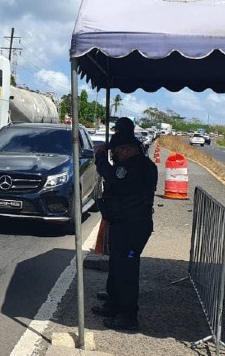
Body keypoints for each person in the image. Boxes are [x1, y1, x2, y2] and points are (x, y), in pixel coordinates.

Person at [92, 117, 158, 330]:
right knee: (116, 266)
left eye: (118, 152)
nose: (116, 156)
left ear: (128, 149)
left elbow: (112, 177)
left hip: (133, 226)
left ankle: (128, 316)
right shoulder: (133, 164)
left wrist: (100, 158)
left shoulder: (135, 167)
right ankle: (114, 302)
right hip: (123, 224)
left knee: (127, 271)